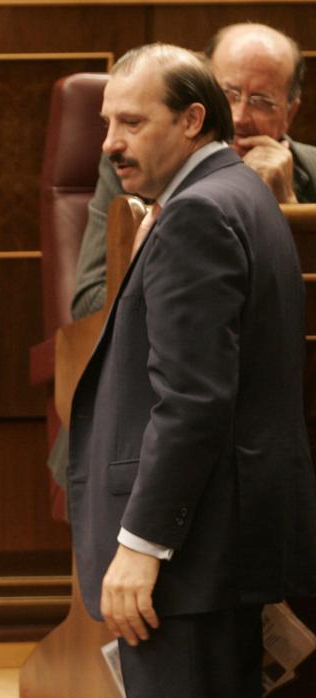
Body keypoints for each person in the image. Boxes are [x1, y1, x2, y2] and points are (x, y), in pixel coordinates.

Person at [68, 44, 316, 697]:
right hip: (225, 546)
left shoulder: (197, 215)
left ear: (190, 120)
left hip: (190, 559)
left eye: (131, 123)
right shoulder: (240, 194)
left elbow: (192, 402)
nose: (108, 144)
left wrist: (141, 546)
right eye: (105, 123)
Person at [72, 23, 316, 319]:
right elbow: (88, 302)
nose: (238, 117)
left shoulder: (312, 169)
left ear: (289, 113)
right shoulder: (137, 164)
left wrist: (286, 209)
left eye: (260, 101)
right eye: (228, 93)